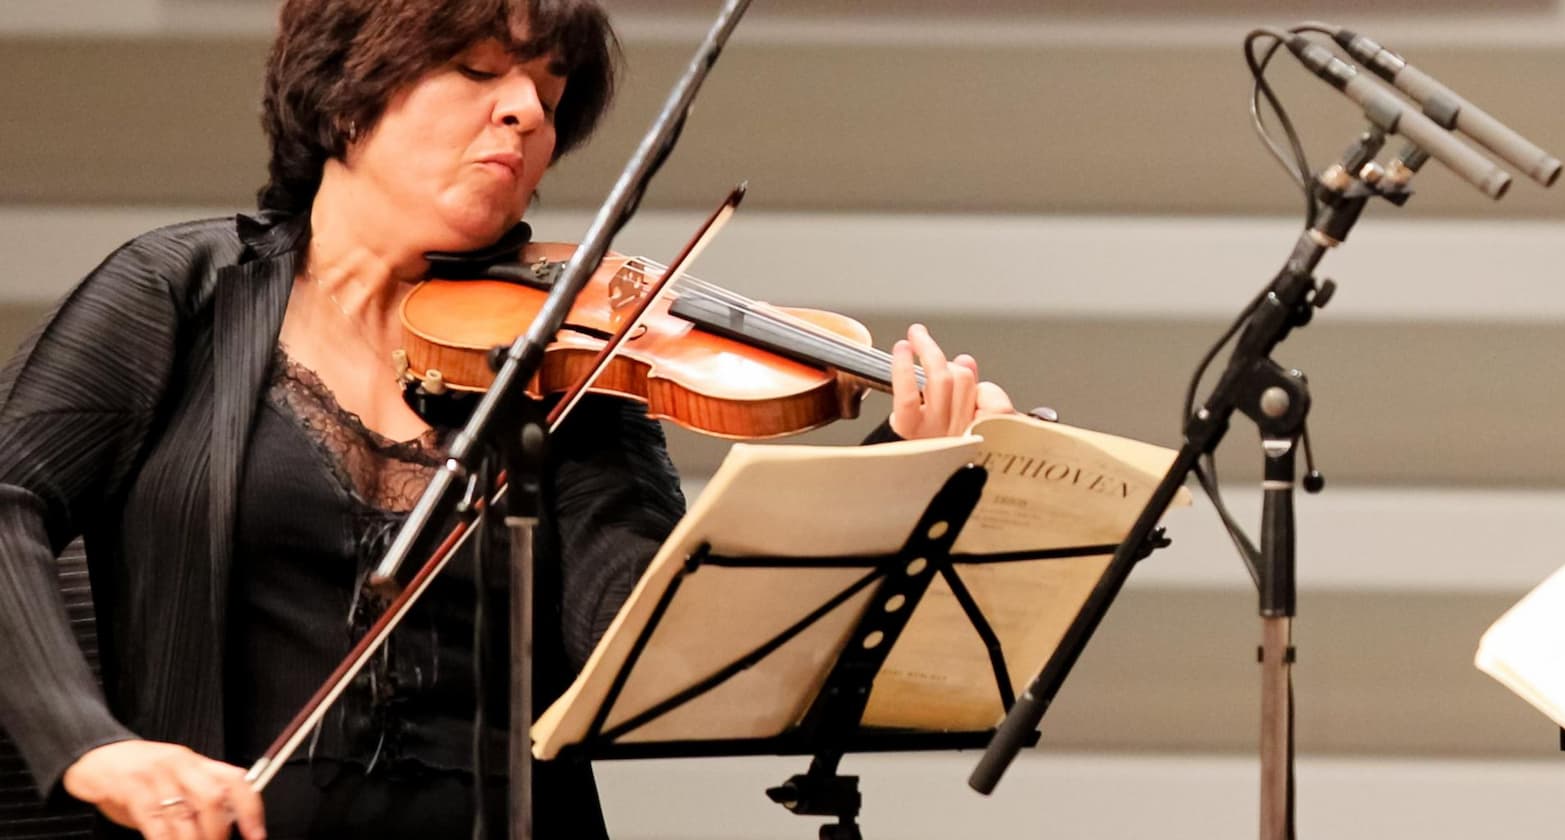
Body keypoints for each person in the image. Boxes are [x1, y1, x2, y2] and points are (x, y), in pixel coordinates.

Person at [0, 1, 1015, 838]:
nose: (527, 112)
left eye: (548, 90)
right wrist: (90, 743)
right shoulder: (180, 293)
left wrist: (898, 472)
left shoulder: (571, 352)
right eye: (480, 72)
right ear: (349, 93)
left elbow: (647, 639)